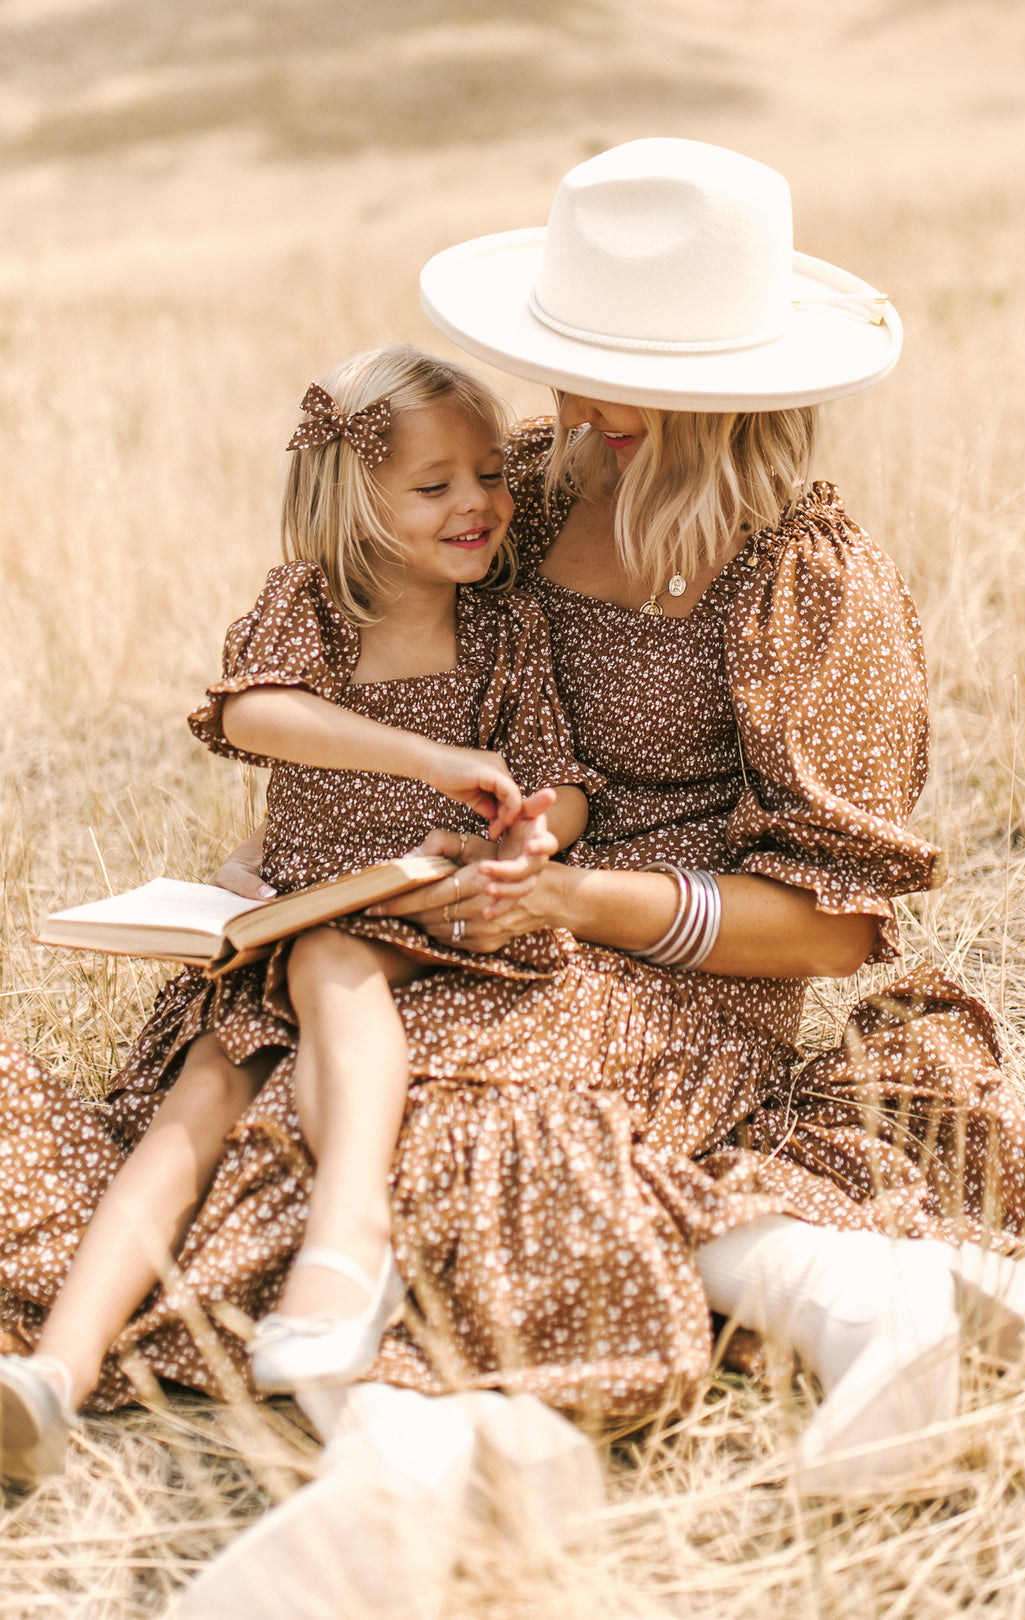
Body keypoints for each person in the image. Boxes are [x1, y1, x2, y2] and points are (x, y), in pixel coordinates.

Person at [0, 142, 1025, 1522]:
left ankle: (449, 1446)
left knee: (410, 1119)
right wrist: (337, 833)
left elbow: (831, 924)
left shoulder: (804, 577)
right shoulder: (523, 487)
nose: (573, 403)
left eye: (623, 379)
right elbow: (351, 635)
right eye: (567, 359)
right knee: (293, 1081)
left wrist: (572, 898)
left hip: (675, 970)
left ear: (728, 392)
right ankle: (849, 1296)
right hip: (461, 921)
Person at [0, 343, 598, 1484]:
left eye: (488, 474)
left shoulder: (507, 627)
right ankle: (55, 1377)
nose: (476, 502)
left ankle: (346, 1235)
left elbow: (562, 778)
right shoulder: (308, 607)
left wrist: (535, 832)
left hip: (431, 912)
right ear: (352, 500)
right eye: (434, 486)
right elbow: (256, 717)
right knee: (201, 1096)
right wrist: (429, 757)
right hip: (291, 913)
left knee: (335, 956)